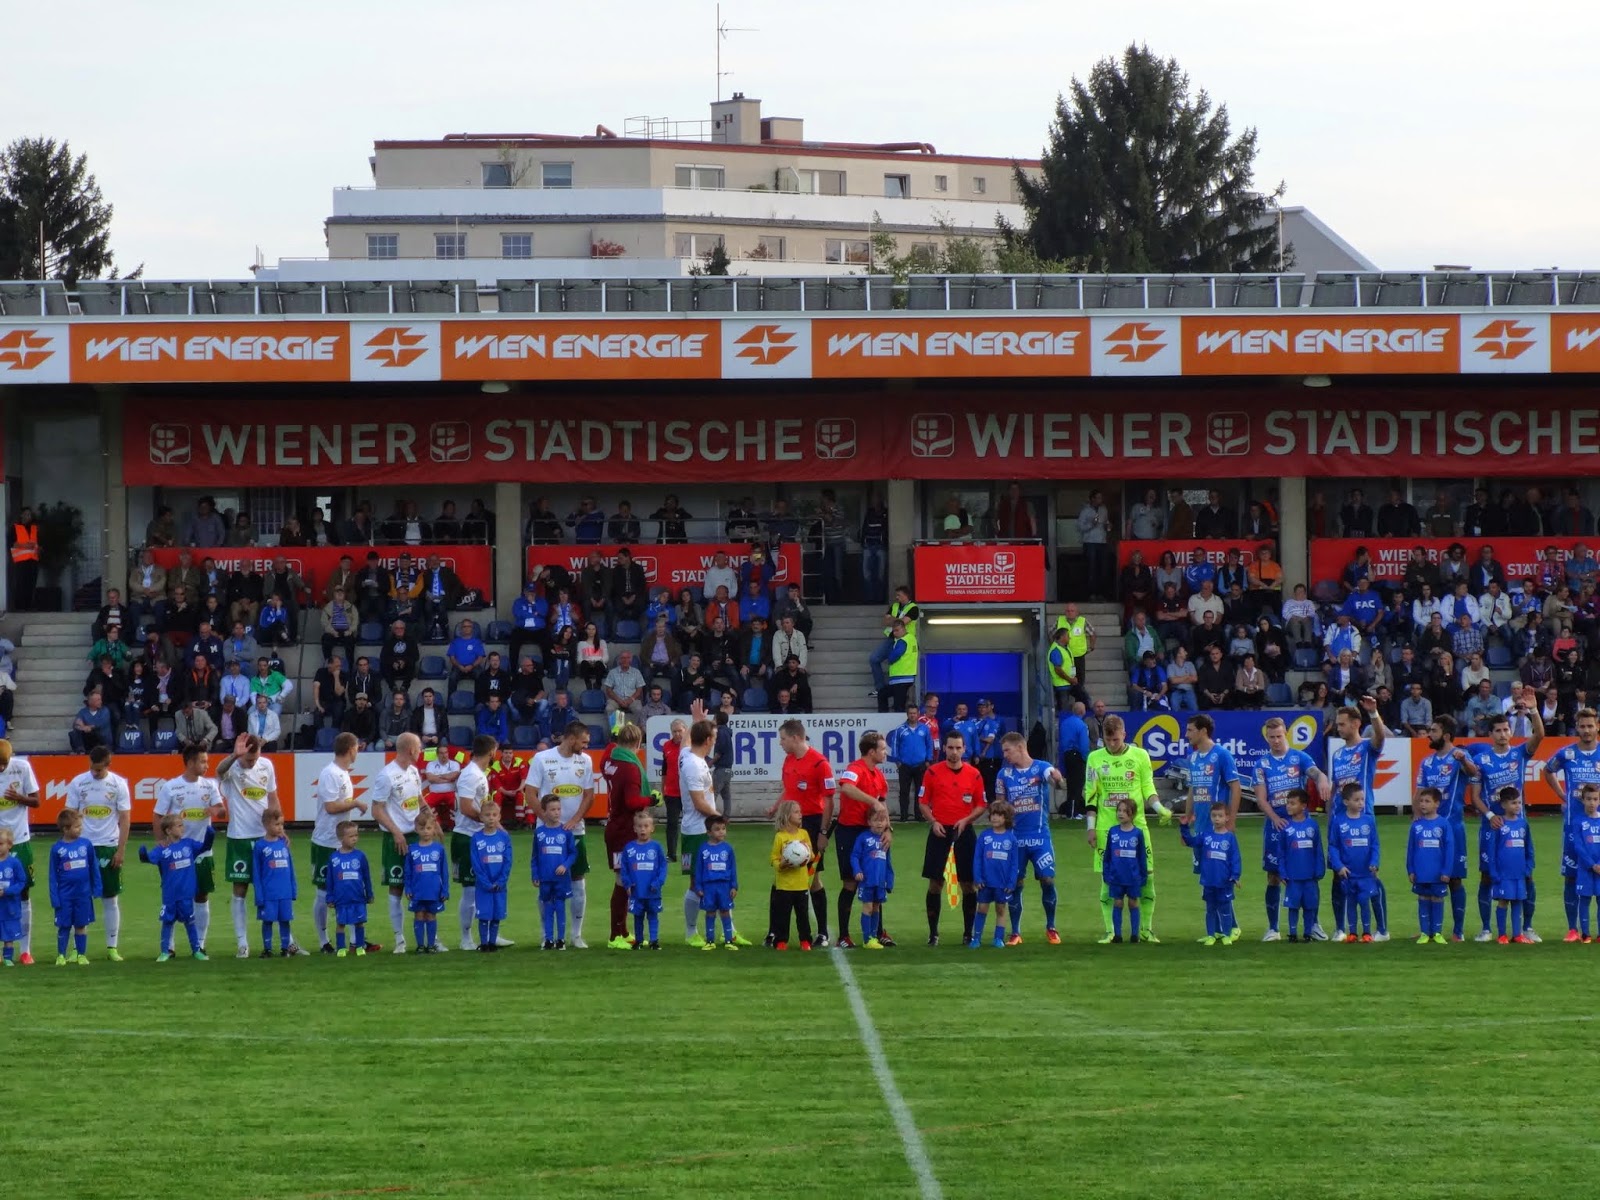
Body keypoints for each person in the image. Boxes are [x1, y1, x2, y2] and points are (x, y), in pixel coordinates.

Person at [1085, 714, 1164, 944]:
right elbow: (1091, 795)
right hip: (1106, 830)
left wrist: (1159, 808)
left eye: (1116, 740)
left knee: (1147, 877)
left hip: (1137, 829)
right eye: (1108, 740)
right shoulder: (1094, 759)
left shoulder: (1140, 756)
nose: (1112, 744)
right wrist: (1090, 827)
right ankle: (1111, 931)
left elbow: (1148, 786)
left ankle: (1145, 929)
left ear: (1124, 735)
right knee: (1108, 880)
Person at [1469, 709, 1545, 943]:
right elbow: (1475, 797)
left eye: (1506, 729)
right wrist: (1491, 814)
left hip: (1518, 826)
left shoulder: (1520, 754)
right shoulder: (1481, 760)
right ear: (1490, 734)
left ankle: (1527, 927)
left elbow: (1540, 734)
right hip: (1492, 828)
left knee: (1526, 876)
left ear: (1511, 732)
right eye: (1498, 730)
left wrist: (1533, 711)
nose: (1503, 734)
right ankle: (1485, 928)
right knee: (1487, 876)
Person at [1255, 717, 1332, 942]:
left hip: (1301, 826)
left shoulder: (1299, 757)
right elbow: (1261, 798)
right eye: (1272, 737)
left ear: (1286, 733)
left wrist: (1323, 780)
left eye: (1279, 736)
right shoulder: (1262, 765)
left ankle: (1314, 924)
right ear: (1266, 737)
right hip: (1276, 827)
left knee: (1308, 875)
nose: (1276, 741)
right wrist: (1275, 819)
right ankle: (1273, 928)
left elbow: (1316, 773)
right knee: (1273, 875)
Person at [215, 732, 288, 958]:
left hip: (265, 837)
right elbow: (218, 771)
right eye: (248, 760)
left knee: (273, 889)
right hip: (240, 837)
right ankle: (242, 943)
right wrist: (234, 756)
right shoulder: (232, 768)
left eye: (255, 759)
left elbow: (273, 798)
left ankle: (287, 941)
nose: (252, 763)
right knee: (240, 890)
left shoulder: (266, 765)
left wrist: (280, 827)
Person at [525, 721, 595, 948]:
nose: (586, 746)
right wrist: (546, 821)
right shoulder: (542, 759)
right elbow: (531, 793)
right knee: (546, 882)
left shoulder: (585, 761)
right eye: (583, 742)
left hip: (575, 831)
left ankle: (576, 934)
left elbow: (588, 796)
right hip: (547, 834)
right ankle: (547, 935)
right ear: (572, 738)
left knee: (577, 880)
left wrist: (574, 821)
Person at [1328, 698, 1392, 942]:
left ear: (1356, 724)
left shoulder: (1366, 749)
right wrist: (1329, 817)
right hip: (1339, 820)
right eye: (1337, 724)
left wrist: (1374, 712)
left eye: (1342, 724)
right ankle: (1340, 928)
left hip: (1363, 819)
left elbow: (1381, 738)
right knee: (1338, 873)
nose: (1338, 728)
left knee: (1369, 873)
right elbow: (1335, 788)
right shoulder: (1338, 754)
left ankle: (1382, 929)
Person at [767, 719, 836, 947]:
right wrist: (776, 807)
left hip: (812, 823)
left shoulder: (820, 764)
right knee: (781, 875)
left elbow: (829, 801)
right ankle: (774, 932)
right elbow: (789, 788)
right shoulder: (788, 760)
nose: (780, 743)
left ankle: (822, 932)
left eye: (783, 739)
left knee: (813, 877)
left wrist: (823, 832)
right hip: (789, 822)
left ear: (796, 738)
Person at [917, 730, 987, 946]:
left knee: (968, 884)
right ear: (944, 748)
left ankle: (968, 933)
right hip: (940, 831)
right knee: (935, 883)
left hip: (964, 831)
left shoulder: (974, 774)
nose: (954, 752)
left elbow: (981, 805)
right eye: (950, 748)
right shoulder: (932, 773)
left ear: (964, 749)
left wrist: (966, 820)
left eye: (958, 748)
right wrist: (934, 821)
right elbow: (922, 803)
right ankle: (933, 933)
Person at [993, 732, 1063, 946]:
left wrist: (1057, 778)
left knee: (1047, 879)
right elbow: (999, 806)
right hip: (1015, 840)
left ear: (1021, 748)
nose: (1005, 755)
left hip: (1039, 837)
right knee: (1015, 884)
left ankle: (1051, 927)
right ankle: (1015, 932)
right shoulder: (1004, 775)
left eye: (1007, 750)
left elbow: (1056, 779)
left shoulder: (1040, 767)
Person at [1415, 715, 1481, 941]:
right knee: (1426, 877)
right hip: (1428, 829)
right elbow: (1419, 793)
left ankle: (1458, 931)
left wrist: (1463, 760)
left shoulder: (1458, 757)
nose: (1429, 734)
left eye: (1433, 731)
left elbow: (1474, 772)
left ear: (1445, 735)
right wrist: (1417, 820)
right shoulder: (1427, 762)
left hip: (1452, 827)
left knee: (1453, 879)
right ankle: (1429, 929)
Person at [63, 746, 131, 962]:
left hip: (108, 845)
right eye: (92, 768)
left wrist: (120, 850)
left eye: (99, 770)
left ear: (108, 765)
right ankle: (77, 948)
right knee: (79, 898)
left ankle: (112, 946)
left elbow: (125, 818)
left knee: (110, 898)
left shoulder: (118, 784)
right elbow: (70, 816)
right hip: (82, 847)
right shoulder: (78, 783)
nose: (95, 773)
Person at [1541, 706, 1600, 942]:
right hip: (1573, 827)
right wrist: (1561, 795)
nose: (1586, 730)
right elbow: (1547, 771)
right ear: (1577, 728)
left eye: (1590, 726)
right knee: (1571, 877)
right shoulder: (1567, 754)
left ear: (1597, 727)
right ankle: (1573, 928)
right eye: (1583, 726)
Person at [308, 733, 367, 954]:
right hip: (325, 841)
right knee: (323, 893)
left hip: (340, 842)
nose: (358, 752)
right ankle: (324, 940)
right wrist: (356, 803)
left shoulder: (342, 773)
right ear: (351, 749)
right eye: (357, 748)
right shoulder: (330, 773)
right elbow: (331, 807)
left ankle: (355, 939)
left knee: (347, 890)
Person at [370, 732, 426, 954]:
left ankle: (426, 938)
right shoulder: (387, 775)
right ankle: (399, 939)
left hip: (416, 836)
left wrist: (432, 820)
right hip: (397, 838)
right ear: (411, 750)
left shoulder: (413, 771)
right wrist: (396, 832)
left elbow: (419, 799)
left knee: (422, 886)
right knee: (397, 886)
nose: (421, 751)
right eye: (419, 747)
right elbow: (377, 809)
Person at [834, 732, 890, 948]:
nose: (885, 753)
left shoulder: (878, 775)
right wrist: (872, 802)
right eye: (883, 749)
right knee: (850, 881)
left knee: (876, 879)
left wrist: (888, 829)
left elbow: (882, 802)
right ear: (871, 751)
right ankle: (844, 935)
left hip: (873, 832)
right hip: (850, 830)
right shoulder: (855, 768)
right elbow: (846, 787)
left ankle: (878, 932)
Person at [136, 815, 214, 961]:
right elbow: (149, 858)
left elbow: (205, 847)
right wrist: (143, 854)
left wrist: (210, 836)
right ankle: (165, 951)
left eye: (182, 825)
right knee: (167, 922)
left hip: (186, 894)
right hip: (170, 894)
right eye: (178, 825)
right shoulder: (162, 849)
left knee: (190, 922)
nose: (182, 828)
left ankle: (196, 950)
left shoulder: (189, 844)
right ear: (168, 830)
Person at [451, 734, 502, 951]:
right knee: (470, 891)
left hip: (479, 836)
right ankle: (466, 938)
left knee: (488, 887)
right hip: (467, 837)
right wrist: (488, 824)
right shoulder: (470, 775)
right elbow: (465, 807)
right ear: (492, 752)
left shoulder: (477, 773)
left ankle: (491, 934)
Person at [0, 739, 41, 964]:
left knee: (23, 894)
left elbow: (37, 802)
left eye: (3, 764)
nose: (1, 768)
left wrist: (19, 798)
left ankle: (25, 950)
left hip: (20, 840)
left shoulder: (22, 768)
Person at [1180, 802, 1243, 946]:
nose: (1217, 819)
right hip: (1208, 880)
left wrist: (1235, 875)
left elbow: (1235, 858)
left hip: (1224, 881)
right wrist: (1184, 827)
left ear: (1227, 818)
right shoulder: (1206, 835)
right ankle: (1211, 935)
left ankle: (1227, 935)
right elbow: (1191, 841)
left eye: (1220, 816)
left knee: (1225, 908)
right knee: (1210, 909)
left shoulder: (1230, 838)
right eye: (1214, 816)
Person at [48, 809, 102, 966]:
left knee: (81, 925)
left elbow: (93, 867)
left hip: (83, 894)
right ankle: (61, 955)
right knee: (64, 926)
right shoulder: (57, 849)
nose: (81, 829)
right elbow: (53, 875)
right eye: (77, 826)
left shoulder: (86, 845)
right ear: (65, 829)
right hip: (64, 895)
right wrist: (54, 896)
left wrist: (97, 887)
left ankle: (81, 954)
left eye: (80, 826)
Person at [1328, 782, 1381, 941]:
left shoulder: (1368, 820)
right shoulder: (1338, 821)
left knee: (1364, 902)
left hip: (1365, 872)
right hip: (1348, 873)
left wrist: (1374, 862)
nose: (1360, 803)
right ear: (1346, 802)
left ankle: (1366, 932)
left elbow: (1375, 844)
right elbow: (1333, 846)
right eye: (1356, 800)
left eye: (1362, 800)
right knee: (1350, 903)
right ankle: (1352, 932)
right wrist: (1338, 866)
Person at [1407, 787, 1454, 943]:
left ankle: (1437, 932)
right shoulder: (1416, 826)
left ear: (1437, 804)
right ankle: (1425, 933)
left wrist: (1447, 871)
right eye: (1421, 801)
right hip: (1421, 872)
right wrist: (1411, 869)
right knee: (1423, 899)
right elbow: (1411, 850)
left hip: (1438, 872)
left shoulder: (1443, 824)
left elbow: (1449, 849)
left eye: (1427, 801)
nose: (1423, 804)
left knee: (1437, 899)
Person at [1486, 790, 1533, 944]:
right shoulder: (1499, 824)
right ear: (1504, 805)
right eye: (1513, 803)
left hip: (1519, 872)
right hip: (1503, 873)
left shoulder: (1523, 823)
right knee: (1503, 901)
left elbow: (1529, 848)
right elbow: (1492, 850)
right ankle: (1501, 935)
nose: (1517, 806)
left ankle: (1517, 934)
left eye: (1519, 802)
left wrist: (1528, 867)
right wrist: (1493, 871)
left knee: (1518, 901)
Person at [1278, 789, 1325, 942]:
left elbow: (1318, 849)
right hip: (1293, 876)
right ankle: (1292, 933)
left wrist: (1320, 869)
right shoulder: (1285, 827)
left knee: (1309, 906)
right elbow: (1281, 852)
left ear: (1303, 806)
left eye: (1292, 803)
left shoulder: (1312, 825)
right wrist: (1283, 872)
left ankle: (1308, 932)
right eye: (1288, 803)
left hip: (1310, 876)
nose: (1288, 806)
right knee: (1293, 905)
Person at [767, 800, 814, 951]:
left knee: (802, 915)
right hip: (784, 885)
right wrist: (781, 865)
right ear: (787, 816)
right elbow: (773, 858)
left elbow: (811, 855)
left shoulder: (804, 834)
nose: (800, 814)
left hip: (801, 884)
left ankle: (805, 940)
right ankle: (781, 941)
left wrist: (806, 857)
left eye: (800, 811)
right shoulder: (780, 837)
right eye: (796, 812)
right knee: (783, 915)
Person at [533, 795, 578, 949]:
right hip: (545, 878)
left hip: (561, 879)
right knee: (547, 908)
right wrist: (535, 875)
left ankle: (561, 940)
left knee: (560, 907)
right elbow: (535, 857)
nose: (556, 812)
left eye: (558, 809)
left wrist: (565, 865)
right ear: (544, 812)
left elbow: (573, 853)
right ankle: (548, 939)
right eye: (552, 809)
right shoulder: (539, 833)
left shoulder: (565, 831)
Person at [469, 793, 513, 952]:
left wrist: (501, 881)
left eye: (494, 815)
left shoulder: (504, 837)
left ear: (499, 816)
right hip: (483, 886)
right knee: (484, 915)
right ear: (481, 817)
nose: (491, 818)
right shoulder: (476, 838)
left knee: (496, 915)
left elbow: (508, 861)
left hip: (500, 885)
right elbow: (476, 863)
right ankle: (484, 943)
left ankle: (492, 943)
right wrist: (486, 883)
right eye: (487, 815)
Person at [1100, 799, 1148, 943]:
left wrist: (1143, 875)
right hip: (1116, 876)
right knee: (1118, 903)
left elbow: (1141, 857)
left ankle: (1135, 934)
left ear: (1132, 814)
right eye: (1119, 810)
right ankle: (1118, 935)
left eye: (1124, 811)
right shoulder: (1113, 831)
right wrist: (1106, 872)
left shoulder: (1138, 833)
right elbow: (1107, 854)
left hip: (1133, 876)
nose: (1121, 814)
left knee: (1133, 902)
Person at [251, 812, 298, 958]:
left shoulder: (283, 844)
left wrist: (293, 889)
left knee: (285, 920)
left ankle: (285, 948)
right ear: (265, 825)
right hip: (268, 893)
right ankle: (267, 949)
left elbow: (290, 868)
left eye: (281, 824)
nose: (280, 828)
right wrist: (259, 894)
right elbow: (256, 873)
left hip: (285, 892)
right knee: (268, 921)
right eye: (276, 824)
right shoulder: (260, 846)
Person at [620, 810, 668, 949]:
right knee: (638, 916)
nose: (643, 829)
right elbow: (624, 869)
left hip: (652, 890)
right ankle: (639, 941)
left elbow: (663, 867)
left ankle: (654, 940)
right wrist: (627, 883)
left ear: (652, 828)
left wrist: (658, 882)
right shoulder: (629, 848)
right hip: (637, 890)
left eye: (646, 826)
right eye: (640, 826)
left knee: (653, 915)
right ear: (634, 828)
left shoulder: (657, 847)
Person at [403, 809, 449, 954]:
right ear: (416, 829)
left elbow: (444, 872)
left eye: (429, 828)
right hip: (417, 890)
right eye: (422, 828)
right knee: (419, 915)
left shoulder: (439, 849)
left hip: (434, 890)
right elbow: (408, 871)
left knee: (431, 915)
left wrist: (445, 889)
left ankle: (430, 945)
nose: (426, 831)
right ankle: (420, 945)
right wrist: (408, 888)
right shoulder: (412, 849)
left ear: (434, 828)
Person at [691, 814, 739, 950]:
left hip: (724, 886)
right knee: (710, 912)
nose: (721, 832)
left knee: (725, 911)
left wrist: (734, 885)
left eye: (723, 828)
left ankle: (729, 940)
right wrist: (698, 886)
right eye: (717, 829)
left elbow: (732, 868)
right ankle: (710, 941)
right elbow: (699, 869)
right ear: (709, 832)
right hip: (709, 887)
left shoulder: (728, 849)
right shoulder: (703, 849)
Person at [327, 821, 374, 957]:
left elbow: (366, 877)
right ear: (341, 838)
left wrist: (369, 894)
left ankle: (360, 946)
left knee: (359, 922)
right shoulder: (334, 858)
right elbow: (330, 880)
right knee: (340, 923)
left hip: (358, 897)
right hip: (341, 898)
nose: (355, 838)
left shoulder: (360, 856)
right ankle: (341, 948)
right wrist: (330, 897)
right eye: (351, 836)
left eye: (356, 835)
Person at [849, 809, 895, 950]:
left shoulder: (885, 840)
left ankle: (874, 937)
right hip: (867, 880)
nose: (879, 823)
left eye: (882, 820)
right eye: (876, 820)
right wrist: (857, 870)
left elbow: (888, 862)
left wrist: (890, 879)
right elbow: (854, 855)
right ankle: (867, 939)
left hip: (880, 882)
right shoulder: (863, 838)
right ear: (869, 822)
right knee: (868, 907)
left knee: (876, 908)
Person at [887, 703, 935, 822]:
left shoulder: (924, 729)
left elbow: (929, 745)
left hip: (921, 765)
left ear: (918, 714)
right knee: (904, 791)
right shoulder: (900, 729)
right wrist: (897, 761)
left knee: (920, 792)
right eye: (910, 713)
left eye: (914, 713)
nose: (912, 715)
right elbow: (895, 745)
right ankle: (904, 816)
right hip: (905, 765)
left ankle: (919, 815)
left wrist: (928, 760)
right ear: (907, 714)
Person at [1566, 784, 1600, 941]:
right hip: (1586, 869)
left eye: (1595, 799)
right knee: (1585, 900)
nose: (1592, 803)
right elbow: (1578, 846)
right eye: (1588, 799)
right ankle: (1585, 933)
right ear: (1583, 800)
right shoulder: (1578, 821)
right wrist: (1592, 865)